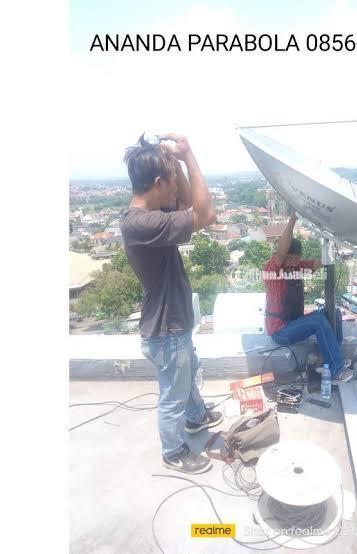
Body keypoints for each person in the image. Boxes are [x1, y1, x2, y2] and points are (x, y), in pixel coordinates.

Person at [120, 132, 221, 475]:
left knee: (186, 374)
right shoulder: (142, 224)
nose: (176, 184)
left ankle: (196, 417)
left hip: (174, 323)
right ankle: (174, 451)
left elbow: (188, 202)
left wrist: (175, 161)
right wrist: (188, 155)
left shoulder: (151, 214)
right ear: (158, 183)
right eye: (172, 179)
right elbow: (206, 214)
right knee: (173, 394)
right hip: (166, 329)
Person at [263, 212, 352, 383]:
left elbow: (321, 262)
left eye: (295, 259)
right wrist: (293, 219)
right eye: (288, 258)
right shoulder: (273, 272)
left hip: (295, 324)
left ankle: (331, 359)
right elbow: (281, 251)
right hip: (280, 331)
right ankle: (336, 369)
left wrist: (333, 241)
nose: (292, 262)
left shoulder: (298, 268)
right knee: (318, 321)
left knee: (333, 312)